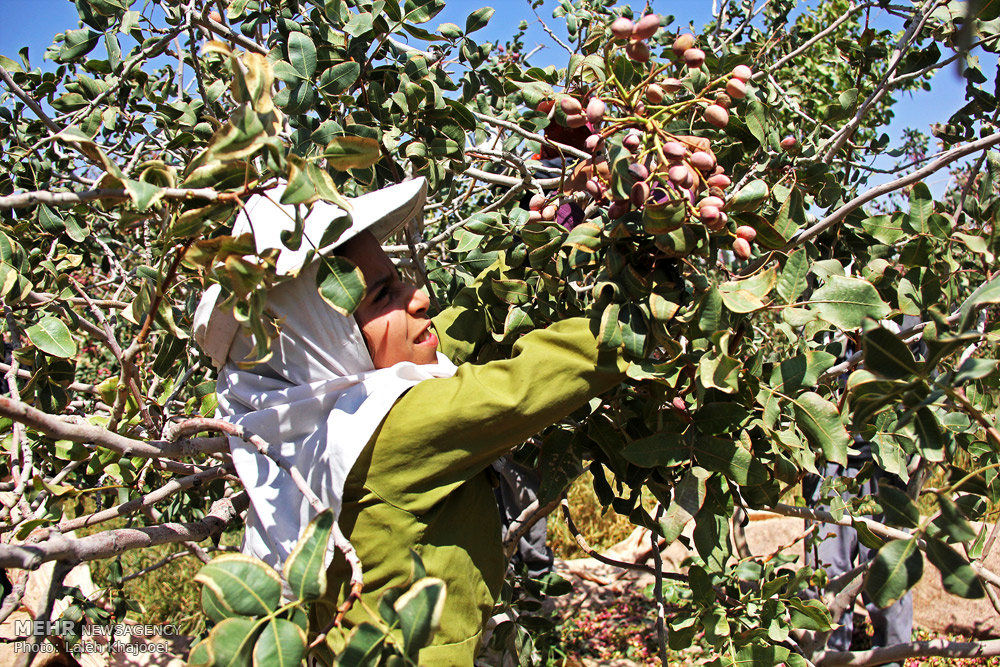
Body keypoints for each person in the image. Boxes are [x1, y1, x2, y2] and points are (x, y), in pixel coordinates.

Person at [193, 177, 628, 663]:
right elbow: (523, 386)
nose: (418, 297)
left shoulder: (318, 422)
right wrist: (638, 311)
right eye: (383, 296)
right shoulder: (389, 429)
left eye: (399, 278)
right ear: (324, 345)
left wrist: (531, 247)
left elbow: (448, 332)